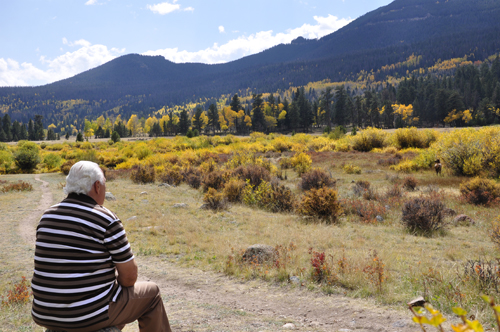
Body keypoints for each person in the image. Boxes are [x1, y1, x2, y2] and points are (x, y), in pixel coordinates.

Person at [31, 161, 171, 332]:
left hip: (43, 314)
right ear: (98, 186)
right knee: (152, 294)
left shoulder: (47, 216)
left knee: (111, 298)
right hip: (86, 316)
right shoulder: (105, 218)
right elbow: (129, 276)